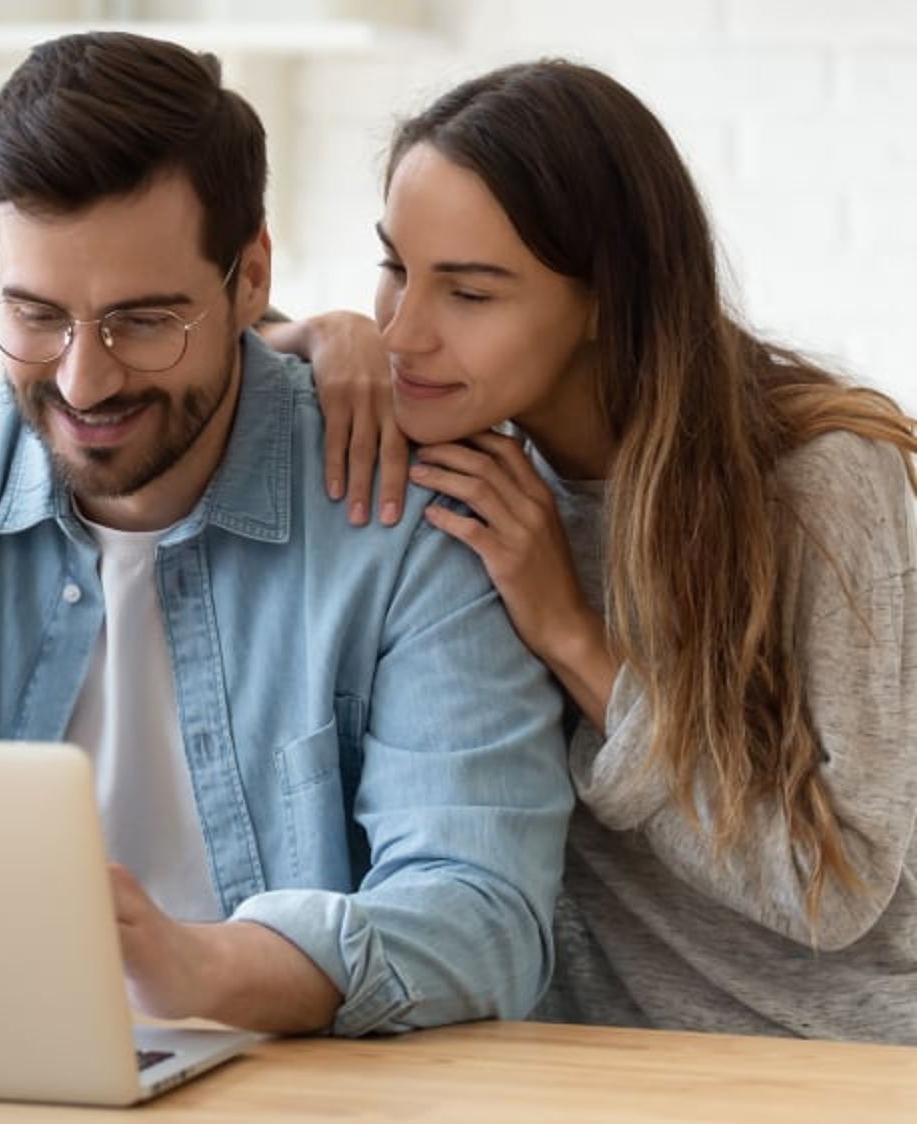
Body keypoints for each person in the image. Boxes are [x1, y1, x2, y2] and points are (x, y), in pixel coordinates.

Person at [0, 32, 573, 1038]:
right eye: (36, 316)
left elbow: (484, 916)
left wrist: (196, 965)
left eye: (144, 322)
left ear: (251, 278)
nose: (84, 381)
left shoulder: (404, 514)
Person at [273, 59, 917, 1043]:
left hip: (824, 1058)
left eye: (470, 293)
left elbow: (838, 887)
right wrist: (311, 332)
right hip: (570, 1056)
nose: (403, 331)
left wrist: (571, 631)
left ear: (606, 302)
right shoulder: (456, 440)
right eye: (395, 267)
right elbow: (181, 345)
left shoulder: (824, 477)